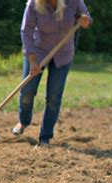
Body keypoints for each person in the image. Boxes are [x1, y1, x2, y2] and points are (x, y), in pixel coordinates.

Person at [12, 0, 92, 146]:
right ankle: (23, 122)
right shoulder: (33, 4)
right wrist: (32, 60)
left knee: (54, 97)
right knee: (27, 91)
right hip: (38, 52)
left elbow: (86, 17)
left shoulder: (74, 2)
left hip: (63, 54)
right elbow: (26, 30)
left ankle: (45, 136)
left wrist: (85, 20)